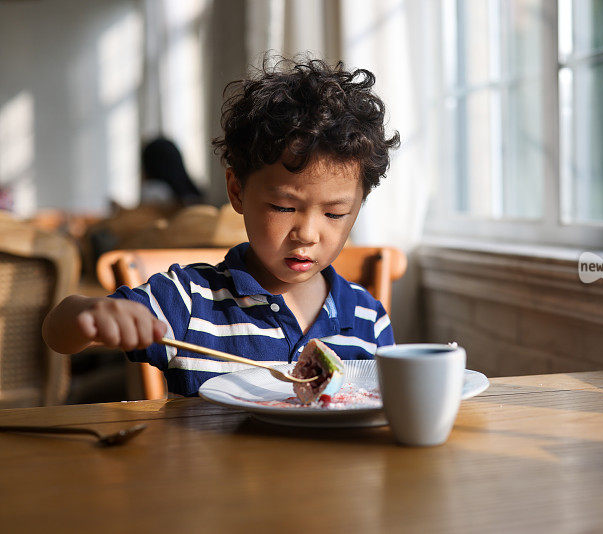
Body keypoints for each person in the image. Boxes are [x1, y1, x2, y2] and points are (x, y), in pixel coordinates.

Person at [42, 57, 401, 396]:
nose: (307, 233)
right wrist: (88, 314)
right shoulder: (189, 300)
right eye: (283, 206)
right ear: (237, 190)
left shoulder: (367, 318)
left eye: (335, 213)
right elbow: (57, 333)